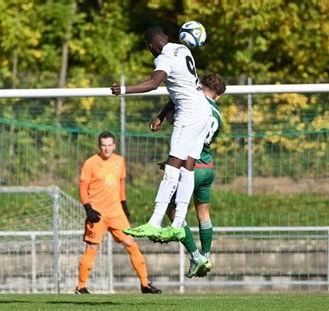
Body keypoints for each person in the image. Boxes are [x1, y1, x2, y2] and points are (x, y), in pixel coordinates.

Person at [111, 26, 212, 242]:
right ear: (166, 38)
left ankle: (154, 222)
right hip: (204, 111)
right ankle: (177, 224)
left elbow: (154, 83)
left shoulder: (163, 58)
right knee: (188, 167)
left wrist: (124, 89)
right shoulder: (182, 49)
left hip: (189, 115)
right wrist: (161, 115)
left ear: (151, 46)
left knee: (172, 165)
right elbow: (178, 90)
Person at [150, 73, 227, 278]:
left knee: (171, 208)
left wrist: (164, 116)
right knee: (203, 214)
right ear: (218, 97)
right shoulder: (218, 116)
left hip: (190, 168)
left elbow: (175, 120)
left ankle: (195, 255)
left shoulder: (194, 106)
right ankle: (207, 255)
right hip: (208, 168)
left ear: (199, 87)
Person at [76, 131, 161, 294]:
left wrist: (124, 205)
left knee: (131, 244)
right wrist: (88, 209)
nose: (106, 149)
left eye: (109, 145)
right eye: (103, 145)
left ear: (114, 146)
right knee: (92, 248)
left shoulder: (119, 161)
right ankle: (81, 287)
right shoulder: (90, 163)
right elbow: (82, 187)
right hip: (97, 214)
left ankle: (145, 284)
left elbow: (121, 184)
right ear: (99, 146)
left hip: (116, 213)